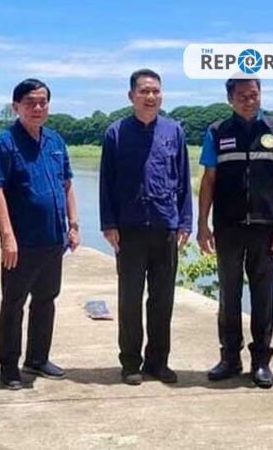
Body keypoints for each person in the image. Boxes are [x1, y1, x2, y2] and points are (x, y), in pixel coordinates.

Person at [99, 68, 192, 386]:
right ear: (131, 96)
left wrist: (185, 221)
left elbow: (183, 179)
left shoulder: (174, 131)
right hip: (129, 228)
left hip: (165, 226)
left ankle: (158, 361)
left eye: (155, 91)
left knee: (162, 299)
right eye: (144, 91)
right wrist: (108, 223)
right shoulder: (115, 133)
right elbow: (106, 182)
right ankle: (130, 363)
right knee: (130, 299)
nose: (150, 97)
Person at [0, 78, 79, 390]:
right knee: (13, 303)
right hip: (22, 241)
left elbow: (67, 183)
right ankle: (9, 365)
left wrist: (74, 225)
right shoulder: (4, 143)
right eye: (30, 103)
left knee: (46, 299)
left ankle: (37, 358)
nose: (37, 108)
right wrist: (7, 236)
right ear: (16, 107)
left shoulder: (55, 141)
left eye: (42, 102)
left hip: (53, 239)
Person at [197, 77, 273, 389]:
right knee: (229, 295)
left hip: (266, 229)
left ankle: (262, 361)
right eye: (242, 96)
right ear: (230, 99)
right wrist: (203, 224)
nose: (249, 100)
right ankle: (230, 358)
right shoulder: (217, 132)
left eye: (253, 94)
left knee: (264, 297)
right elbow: (209, 180)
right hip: (228, 227)